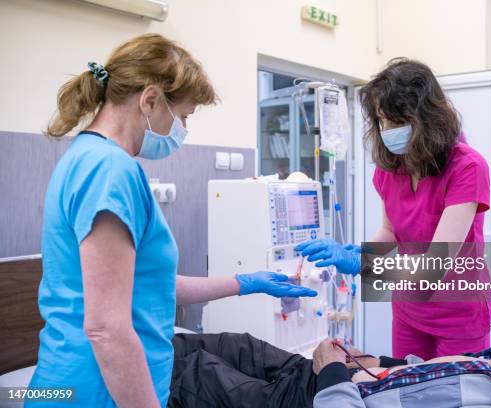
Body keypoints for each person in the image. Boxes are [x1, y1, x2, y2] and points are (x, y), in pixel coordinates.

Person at [26, 34, 316, 408]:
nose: (182, 128)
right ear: (149, 100)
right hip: (97, 391)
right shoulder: (110, 171)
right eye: (182, 116)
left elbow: (151, 284)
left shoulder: (88, 158)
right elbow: (106, 330)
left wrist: (245, 283)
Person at [297, 58, 491, 360]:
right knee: (406, 389)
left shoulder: (467, 167)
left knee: (453, 395)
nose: (387, 130)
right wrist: (361, 253)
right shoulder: (390, 169)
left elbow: (435, 266)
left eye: (397, 121)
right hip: (408, 308)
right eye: (381, 120)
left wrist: (363, 267)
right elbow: (390, 230)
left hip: (458, 313)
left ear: (427, 117)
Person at [165, 302, 491, 408]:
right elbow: (437, 376)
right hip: (341, 376)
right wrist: (375, 361)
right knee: (235, 344)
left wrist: (335, 372)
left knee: (193, 373)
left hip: (322, 397)